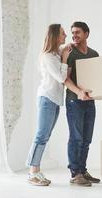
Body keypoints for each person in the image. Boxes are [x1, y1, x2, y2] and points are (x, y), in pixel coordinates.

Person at [26, 24, 70, 186]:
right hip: (47, 99)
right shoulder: (48, 57)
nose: (65, 35)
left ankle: (35, 170)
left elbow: (66, 48)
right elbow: (61, 78)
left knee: (45, 136)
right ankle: (32, 172)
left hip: (55, 100)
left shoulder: (56, 53)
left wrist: (69, 48)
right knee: (41, 135)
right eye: (62, 33)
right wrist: (65, 59)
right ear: (54, 36)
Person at [64, 21, 100, 187]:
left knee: (86, 139)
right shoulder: (70, 53)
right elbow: (65, 78)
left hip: (89, 101)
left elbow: (99, 79)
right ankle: (75, 174)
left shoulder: (93, 54)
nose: (74, 35)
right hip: (74, 100)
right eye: (73, 33)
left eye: (78, 32)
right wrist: (78, 92)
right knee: (77, 138)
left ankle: (82, 170)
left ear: (87, 33)